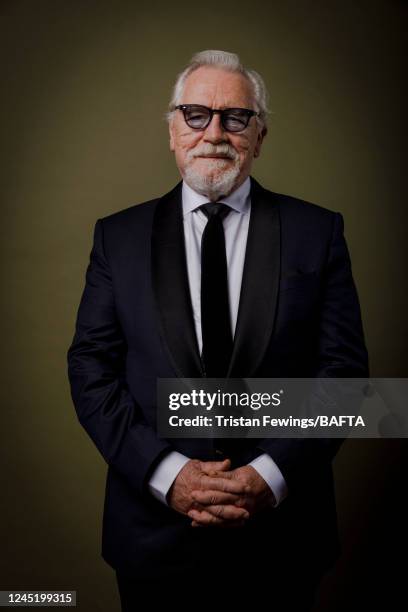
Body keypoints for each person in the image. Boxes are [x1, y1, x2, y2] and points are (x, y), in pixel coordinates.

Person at [67, 50, 369, 610]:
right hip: (152, 539)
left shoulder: (317, 233)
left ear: (259, 136)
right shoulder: (117, 238)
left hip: (283, 539)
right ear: (173, 131)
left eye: (235, 117)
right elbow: (91, 371)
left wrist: (269, 473)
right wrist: (169, 474)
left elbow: (347, 379)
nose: (215, 132)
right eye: (196, 114)